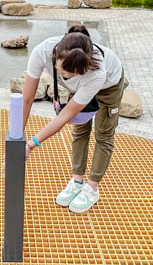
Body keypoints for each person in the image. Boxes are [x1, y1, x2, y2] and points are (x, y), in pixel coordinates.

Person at [21, 25, 126, 213]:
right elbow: (27, 99)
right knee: (79, 129)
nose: (65, 77)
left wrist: (31, 144)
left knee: (103, 134)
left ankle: (92, 188)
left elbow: (65, 116)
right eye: (61, 73)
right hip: (83, 87)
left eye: (70, 75)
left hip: (109, 86)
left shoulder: (97, 73)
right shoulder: (42, 51)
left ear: (83, 67)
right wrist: (17, 138)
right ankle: (77, 181)